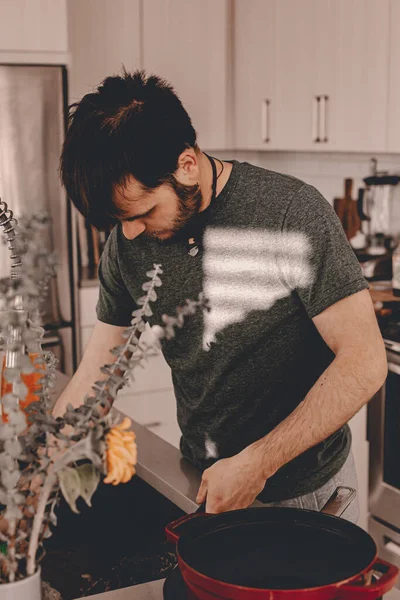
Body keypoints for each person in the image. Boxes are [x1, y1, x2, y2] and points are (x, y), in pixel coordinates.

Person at [56, 69, 387, 520]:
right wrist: (48, 448)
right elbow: (98, 374)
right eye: (120, 220)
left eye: (144, 212)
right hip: (208, 486)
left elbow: (365, 361)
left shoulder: (291, 213)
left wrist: (260, 461)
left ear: (186, 165)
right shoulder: (126, 241)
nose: (130, 233)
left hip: (310, 496)